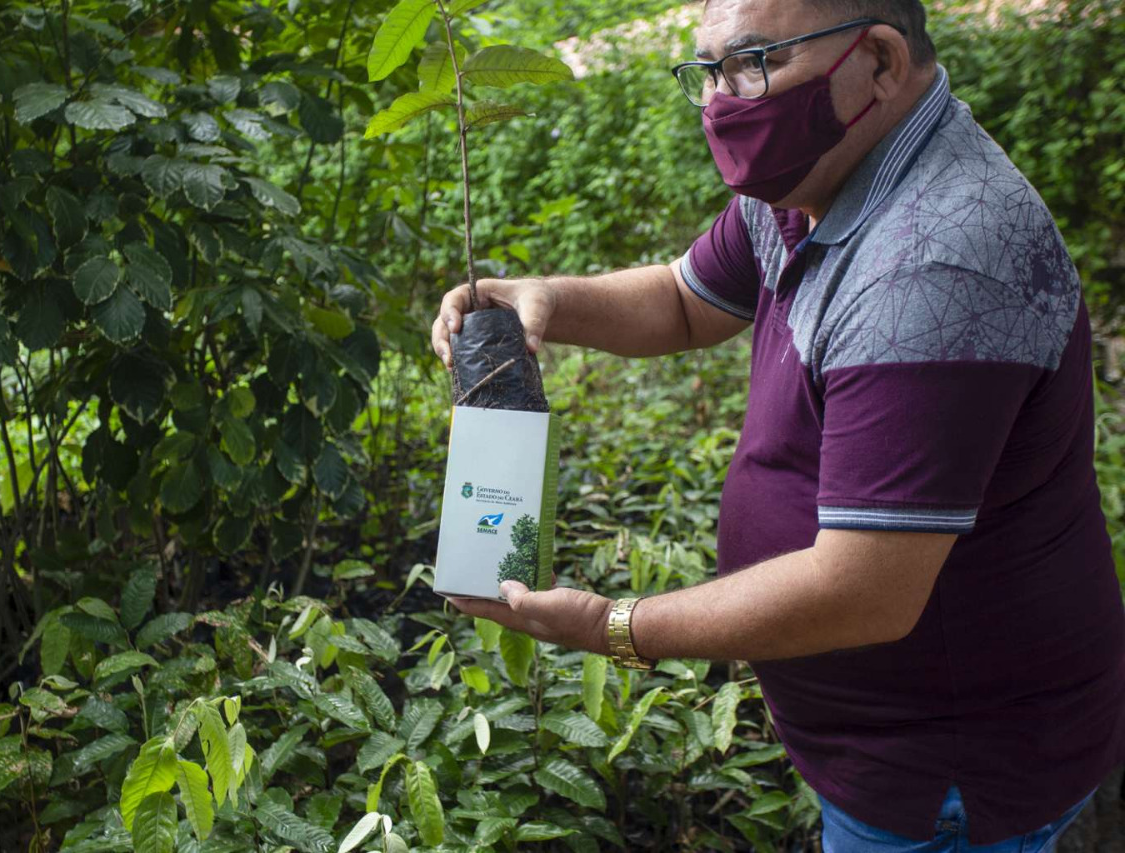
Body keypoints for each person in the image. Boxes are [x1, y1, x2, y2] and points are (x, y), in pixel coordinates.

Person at [433, 0, 1125, 850]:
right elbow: (685, 301)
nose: (721, 100)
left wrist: (612, 624)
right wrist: (547, 298)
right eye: (707, 71)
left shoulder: (936, 262)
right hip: (880, 731)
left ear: (879, 60)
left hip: (947, 765)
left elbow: (861, 591)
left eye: (754, 63)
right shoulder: (818, 174)